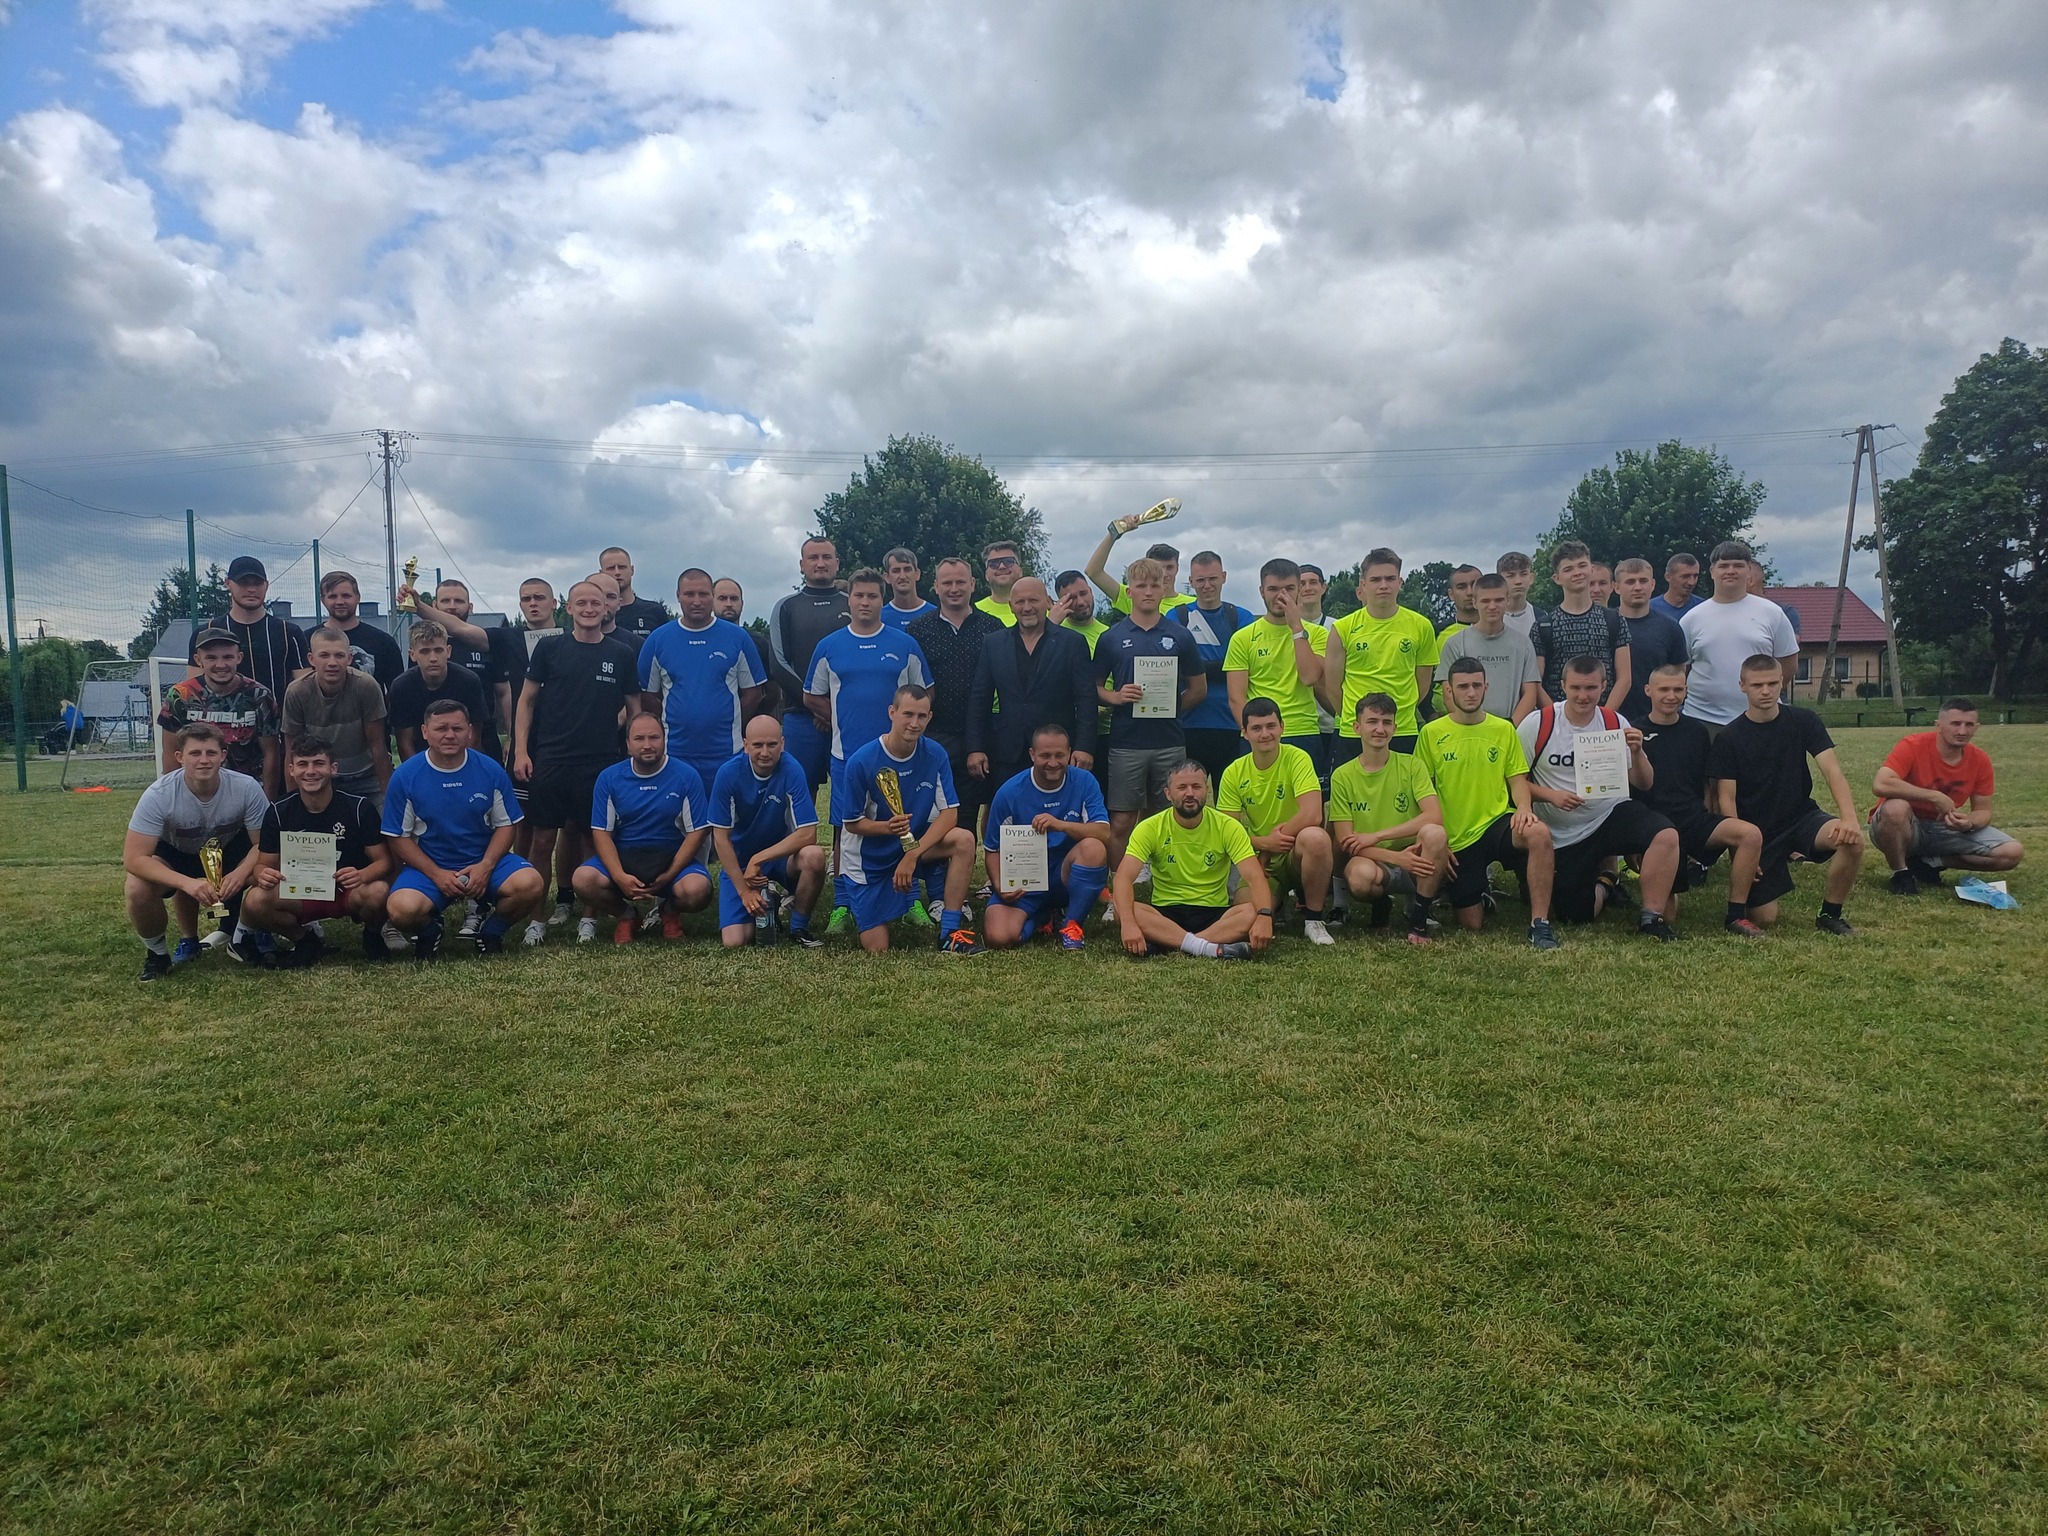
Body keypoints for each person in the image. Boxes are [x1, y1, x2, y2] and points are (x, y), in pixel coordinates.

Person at [1517, 655, 1680, 938]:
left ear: (1604, 686)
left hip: (1608, 814)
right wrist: (1550, 796)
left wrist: (1637, 752)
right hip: (1564, 833)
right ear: (1563, 686)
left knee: (1665, 834)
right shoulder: (1539, 723)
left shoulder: (1613, 721)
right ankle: (1607, 880)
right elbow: (1514, 780)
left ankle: (1651, 919)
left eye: (1591, 688)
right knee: (1575, 915)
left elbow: (1644, 783)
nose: (1583, 696)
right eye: (1576, 688)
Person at [513, 579, 638, 941]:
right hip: (551, 758)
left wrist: (630, 748)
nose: (588, 609)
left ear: (606, 608)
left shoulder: (621, 653)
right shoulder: (550, 649)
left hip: (600, 763)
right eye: (581, 603)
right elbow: (526, 701)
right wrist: (521, 750)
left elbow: (634, 708)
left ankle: (589, 917)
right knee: (541, 840)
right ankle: (537, 919)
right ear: (568, 608)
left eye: (595, 603)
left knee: (592, 840)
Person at [805, 569, 931, 921]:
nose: (865, 602)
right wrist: (839, 720)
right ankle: (842, 903)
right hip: (846, 755)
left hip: (898, 756)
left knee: (904, 823)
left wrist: (905, 731)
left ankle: (910, 900)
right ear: (848, 600)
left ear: (882, 599)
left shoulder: (904, 644)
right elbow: (812, 695)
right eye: (859, 595)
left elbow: (923, 693)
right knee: (845, 827)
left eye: (872, 596)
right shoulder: (829, 646)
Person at [1706, 653, 1864, 934]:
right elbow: (1726, 799)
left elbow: (1832, 771)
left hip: (1802, 817)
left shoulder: (1804, 720)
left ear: (1782, 682)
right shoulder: (1729, 737)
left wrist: (1849, 818)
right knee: (1765, 918)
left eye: (1772, 683)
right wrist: (1740, 852)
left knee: (1852, 841)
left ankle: (1830, 914)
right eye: (1757, 685)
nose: (1765, 691)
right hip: (1758, 832)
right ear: (1742, 686)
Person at [382, 698, 544, 957]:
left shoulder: (490, 770)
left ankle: (491, 932)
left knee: (531, 883)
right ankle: (429, 931)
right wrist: (437, 874)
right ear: (425, 732)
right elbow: (398, 838)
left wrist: (486, 866)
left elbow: (506, 825)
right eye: (441, 728)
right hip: (432, 866)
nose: (449, 735)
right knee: (401, 909)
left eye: (457, 728)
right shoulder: (405, 777)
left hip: (483, 862)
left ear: (469, 731)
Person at [1415, 657, 1559, 948]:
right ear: (1449, 690)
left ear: (1486, 688)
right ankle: (1479, 892)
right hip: (1457, 837)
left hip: (1497, 823)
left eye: (1476, 685)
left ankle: (1540, 924)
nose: (1470, 692)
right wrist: (1440, 843)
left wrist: (1523, 808)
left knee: (1538, 832)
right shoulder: (1431, 733)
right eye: (1463, 686)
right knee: (1471, 924)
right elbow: (1423, 792)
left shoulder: (1503, 729)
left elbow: (1517, 780)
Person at [836, 683, 982, 954]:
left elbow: (950, 814)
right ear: (892, 712)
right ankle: (870, 905)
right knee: (878, 949)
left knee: (964, 839)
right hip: (869, 859)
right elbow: (852, 823)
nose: (915, 723)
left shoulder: (935, 754)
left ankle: (950, 933)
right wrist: (886, 827)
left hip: (911, 848)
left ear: (930, 717)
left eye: (921, 716)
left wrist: (912, 854)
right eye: (908, 714)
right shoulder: (862, 761)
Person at [124, 721, 269, 980]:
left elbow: (265, 845)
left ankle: (252, 933)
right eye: (195, 753)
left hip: (229, 851)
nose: (203, 760)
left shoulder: (246, 787)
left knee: (269, 869)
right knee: (137, 888)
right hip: (177, 854)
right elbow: (134, 859)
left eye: (211, 753)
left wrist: (240, 874)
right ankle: (158, 954)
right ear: (180, 757)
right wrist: (187, 883)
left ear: (223, 755)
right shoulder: (158, 794)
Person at [1633, 663, 1766, 935]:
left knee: (1749, 835)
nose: (1671, 696)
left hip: (1693, 819)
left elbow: (1706, 784)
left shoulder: (1697, 731)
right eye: (1664, 689)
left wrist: (1712, 817)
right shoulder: (1634, 731)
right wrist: (1634, 845)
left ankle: (1736, 915)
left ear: (1686, 691)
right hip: (1656, 828)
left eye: (1678, 690)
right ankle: (1669, 877)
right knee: (1667, 916)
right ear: (1648, 690)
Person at [240, 734, 394, 965]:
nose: (310, 771)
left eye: (318, 763)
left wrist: (361, 875)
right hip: (300, 892)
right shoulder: (278, 811)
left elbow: (384, 862)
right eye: (303, 764)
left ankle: (372, 934)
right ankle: (305, 940)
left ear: (333, 768)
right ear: (291, 770)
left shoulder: (359, 808)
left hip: (348, 891)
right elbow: (263, 864)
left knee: (379, 891)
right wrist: (263, 874)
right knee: (255, 900)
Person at [1094, 556, 1205, 869]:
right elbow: (1094, 687)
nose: (1148, 591)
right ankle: (1118, 883)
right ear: (1129, 591)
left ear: (1164, 589)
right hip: (1125, 742)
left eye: (1155, 585)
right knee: (1121, 819)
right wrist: (1117, 697)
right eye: (1140, 585)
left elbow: (1198, 689)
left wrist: (1169, 707)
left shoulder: (1180, 635)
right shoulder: (1111, 637)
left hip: (1169, 741)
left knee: (1168, 816)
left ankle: (1164, 878)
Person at [572, 712, 715, 942]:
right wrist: (619, 876)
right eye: (639, 739)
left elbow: (698, 831)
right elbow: (601, 833)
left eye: (654, 737)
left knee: (698, 890)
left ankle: (668, 911)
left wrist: (669, 874)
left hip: (670, 860)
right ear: (628, 744)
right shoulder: (609, 778)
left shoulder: (687, 776)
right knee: (583, 879)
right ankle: (627, 915)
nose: (647, 745)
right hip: (625, 858)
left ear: (664, 740)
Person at [1112, 761, 1274, 960]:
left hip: (1214, 914)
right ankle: (1208, 948)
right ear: (1168, 793)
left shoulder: (1228, 826)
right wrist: (1128, 924)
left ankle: (1171, 943)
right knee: (1124, 911)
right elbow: (1123, 877)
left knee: (1251, 911)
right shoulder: (1150, 827)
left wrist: (1265, 916)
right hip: (1165, 913)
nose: (1190, 793)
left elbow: (1255, 877)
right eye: (1181, 787)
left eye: (1196, 787)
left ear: (1207, 790)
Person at [1870, 699, 2024, 893]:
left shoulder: (1980, 759)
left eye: (1969, 725)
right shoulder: (1912, 745)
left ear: (1977, 727)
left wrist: (1968, 822)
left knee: (2012, 852)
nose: (1962, 731)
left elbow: (1983, 810)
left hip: (1944, 827)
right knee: (1895, 808)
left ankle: (1930, 863)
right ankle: (1901, 874)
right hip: (1905, 826)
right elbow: (1881, 783)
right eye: (1955, 724)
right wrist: (1934, 796)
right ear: (1938, 725)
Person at [1329, 693, 1447, 945]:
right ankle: (1381, 902)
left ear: (1395, 728)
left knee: (1435, 834)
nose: (1380, 729)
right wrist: (1396, 858)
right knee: (1359, 879)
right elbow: (1346, 841)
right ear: (1357, 727)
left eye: (1386, 722)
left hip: (1415, 858)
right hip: (1375, 862)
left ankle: (1418, 917)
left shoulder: (1412, 765)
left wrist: (1378, 836)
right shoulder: (1342, 775)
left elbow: (1434, 815)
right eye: (1372, 722)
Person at [981, 724, 1112, 950]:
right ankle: (1041, 916)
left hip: (1064, 875)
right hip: (1025, 881)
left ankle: (1072, 924)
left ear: (1069, 753)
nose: (1053, 762)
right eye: (1045, 755)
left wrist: (1061, 825)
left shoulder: (1085, 782)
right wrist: (1000, 884)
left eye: (1059, 755)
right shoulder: (1009, 792)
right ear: (1032, 754)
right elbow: (992, 849)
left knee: (1094, 848)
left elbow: (1104, 832)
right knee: (999, 938)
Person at [1217, 697, 1334, 943]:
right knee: (1246, 914)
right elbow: (1227, 832)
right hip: (1262, 861)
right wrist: (1263, 844)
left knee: (1316, 837)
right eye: (1257, 728)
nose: (1265, 734)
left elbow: (1313, 814)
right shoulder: (1233, 772)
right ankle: (1276, 903)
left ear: (1282, 726)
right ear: (1244, 733)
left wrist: (1271, 845)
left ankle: (1313, 919)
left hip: (1296, 852)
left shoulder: (1298, 758)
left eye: (1271, 726)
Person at [638, 566, 766, 792]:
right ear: (678, 596)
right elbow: (648, 697)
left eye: (703, 594)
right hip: (676, 752)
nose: (696, 601)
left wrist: (732, 722)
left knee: (725, 812)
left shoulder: (737, 638)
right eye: (689, 594)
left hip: (727, 752)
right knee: (680, 813)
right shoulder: (658, 640)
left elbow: (753, 693)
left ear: (712, 596)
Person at [907, 557, 1006, 844]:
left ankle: (964, 866)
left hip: (982, 735)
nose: (954, 588)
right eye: (947, 582)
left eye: (960, 582)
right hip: (934, 733)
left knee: (970, 810)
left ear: (972, 584)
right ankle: (933, 865)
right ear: (935, 586)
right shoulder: (917, 630)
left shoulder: (994, 628)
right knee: (932, 808)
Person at [967, 575, 1099, 789]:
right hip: (1007, 751)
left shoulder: (1072, 643)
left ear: (1047, 602)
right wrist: (975, 748)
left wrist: (1084, 747)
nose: (1027, 607)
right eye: (1020, 602)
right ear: (1011, 606)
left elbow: (1086, 699)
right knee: (1007, 807)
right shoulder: (993, 643)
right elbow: (979, 698)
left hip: (1057, 752)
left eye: (1033, 600)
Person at [709, 713, 828, 948]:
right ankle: (768, 901)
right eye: (758, 745)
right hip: (742, 862)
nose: (765, 752)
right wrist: (744, 891)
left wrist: (759, 858)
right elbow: (720, 839)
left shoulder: (792, 769)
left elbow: (808, 833)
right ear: (745, 746)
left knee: (814, 856)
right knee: (734, 941)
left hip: (782, 858)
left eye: (772, 744)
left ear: (782, 743)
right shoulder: (728, 773)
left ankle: (799, 927)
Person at [1323, 547, 1440, 754]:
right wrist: (1356, 717)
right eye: (1376, 580)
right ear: (1364, 585)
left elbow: (1422, 685)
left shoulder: (1421, 626)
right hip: (1355, 732)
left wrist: (1400, 712)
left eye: (1390, 579)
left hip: (1402, 729)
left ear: (1400, 582)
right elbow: (1332, 686)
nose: (1383, 585)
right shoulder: (1343, 628)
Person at [1223, 558, 1329, 778]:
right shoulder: (1243, 638)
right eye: (1273, 589)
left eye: (1289, 588)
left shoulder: (1317, 634)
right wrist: (1253, 732)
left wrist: (1296, 628)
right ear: (1261, 591)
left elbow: (1310, 677)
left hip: (1303, 731)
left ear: (1299, 589)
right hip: (1259, 733)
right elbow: (1236, 697)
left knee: (1310, 798)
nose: (1281, 596)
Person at [1679, 541, 1800, 728]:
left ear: (1749, 570)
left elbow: (1788, 664)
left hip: (1760, 719)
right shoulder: (1692, 618)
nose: (1731, 571)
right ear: (1712, 571)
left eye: (1738, 565)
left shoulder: (1772, 614)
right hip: (1702, 719)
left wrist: (1763, 695)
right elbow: (1681, 669)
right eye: (1723, 566)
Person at [766, 535, 851, 798]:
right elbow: (778, 665)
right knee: (797, 796)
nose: (820, 563)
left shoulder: (853, 603)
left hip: (847, 718)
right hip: (802, 719)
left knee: (852, 795)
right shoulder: (786, 607)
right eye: (813, 558)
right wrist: (817, 705)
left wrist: (834, 712)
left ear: (837, 563)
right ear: (802, 565)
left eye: (826, 557)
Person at [158, 626, 281, 797]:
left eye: (228, 657)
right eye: (211, 658)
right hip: (196, 792)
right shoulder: (180, 696)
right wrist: (173, 798)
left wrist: (268, 802)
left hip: (247, 793)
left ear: (239, 657)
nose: (220, 665)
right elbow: (170, 753)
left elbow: (271, 755)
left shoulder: (259, 696)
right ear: (198, 660)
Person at [282, 624, 391, 809]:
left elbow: (378, 747)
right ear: (311, 659)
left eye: (339, 655)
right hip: (321, 778)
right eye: (324, 655)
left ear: (349, 658)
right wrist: (293, 806)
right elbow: (292, 752)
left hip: (366, 777)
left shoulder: (366, 686)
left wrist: (388, 798)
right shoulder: (297, 692)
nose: (332, 663)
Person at [399, 576, 509, 758]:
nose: (452, 606)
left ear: (470, 607)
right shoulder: (422, 644)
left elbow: (504, 693)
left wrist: (511, 737)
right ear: (435, 605)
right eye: (445, 601)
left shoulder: (485, 642)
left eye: (458, 601)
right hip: (430, 740)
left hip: (482, 736)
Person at [1179, 550, 1256, 785]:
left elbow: (1247, 667)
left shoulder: (1241, 617)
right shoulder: (1179, 616)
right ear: (1191, 581)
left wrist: (1196, 670)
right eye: (1200, 580)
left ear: (1224, 577)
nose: (1207, 585)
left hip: (1232, 723)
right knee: (1189, 796)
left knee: (1229, 797)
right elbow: (1174, 666)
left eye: (1212, 578)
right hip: (1188, 723)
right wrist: (1224, 668)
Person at [1533, 541, 1631, 707]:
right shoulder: (1543, 626)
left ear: (1591, 569)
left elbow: (1625, 678)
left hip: (1603, 714)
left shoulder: (1614, 619)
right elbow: (1535, 681)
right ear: (1557, 578)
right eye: (1568, 569)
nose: (1577, 573)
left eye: (1582, 566)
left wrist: (1604, 717)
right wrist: (1556, 717)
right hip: (1559, 716)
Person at [196, 555, 307, 702]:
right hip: (220, 716)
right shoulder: (205, 632)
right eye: (243, 583)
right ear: (228, 583)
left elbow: (305, 689)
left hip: (279, 716)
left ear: (266, 585)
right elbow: (194, 691)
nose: (251, 589)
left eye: (258, 583)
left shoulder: (290, 632)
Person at [1435, 574, 1542, 722]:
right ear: (1474, 602)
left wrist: (1510, 726)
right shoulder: (1455, 644)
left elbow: (1530, 693)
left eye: (1499, 600)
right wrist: (1474, 726)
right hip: (1470, 727)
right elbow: (1448, 694)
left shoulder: (1523, 644)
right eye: (1485, 601)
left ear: (1508, 600)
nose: (1492, 606)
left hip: (1511, 727)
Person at [387, 620, 489, 760]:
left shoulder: (469, 681)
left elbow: (474, 735)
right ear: (412, 655)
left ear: (448, 651)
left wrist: (461, 766)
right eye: (425, 651)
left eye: (438, 650)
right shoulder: (401, 687)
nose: (433, 658)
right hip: (421, 756)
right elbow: (404, 742)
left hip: (463, 755)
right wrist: (417, 769)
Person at [1612, 557, 1688, 723]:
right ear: (1616, 587)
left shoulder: (1670, 627)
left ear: (1652, 584)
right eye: (1630, 582)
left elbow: (1678, 674)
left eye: (1643, 581)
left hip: (1656, 720)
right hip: (1612, 718)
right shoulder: (1606, 625)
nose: (1638, 587)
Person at [313, 569, 405, 689]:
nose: (340, 601)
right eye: (332, 596)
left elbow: (397, 691)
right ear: (323, 600)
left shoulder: (383, 642)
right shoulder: (307, 640)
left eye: (346, 596)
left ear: (358, 598)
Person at [1083, 516, 1193, 615]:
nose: (1164, 574)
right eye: (1159, 568)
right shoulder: (1135, 596)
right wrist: (1115, 532)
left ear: (1177, 568)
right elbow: (1093, 572)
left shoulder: (1192, 604)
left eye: (1170, 567)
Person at [600, 546, 671, 641]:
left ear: (632, 570)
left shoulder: (654, 611)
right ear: (601, 573)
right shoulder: (596, 613)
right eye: (611, 568)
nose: (617, 572)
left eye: (622, 567)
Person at [881, 547, 936, 626]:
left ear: (917, 574)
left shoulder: (935, 615)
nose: (902, 576)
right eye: (896, 571)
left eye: (907, 570)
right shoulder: (879, 618)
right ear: (887, 577)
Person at [975, 539, 1025, 626]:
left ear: (1020, 571)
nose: (1002, 567)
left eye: (1008, 561)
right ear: (986, 575)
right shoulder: (973, 612)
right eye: (994, 563)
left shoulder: (1041, 610)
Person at [1496, 551, 1538, 638]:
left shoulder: (1541, 617)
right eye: (1511, 576)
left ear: (1531, 578)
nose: (1518, 581)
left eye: (1523, 574)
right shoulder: (1489, 618)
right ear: (1500, 580)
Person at [1651, 553, 1704, 621]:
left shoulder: (1703, 608)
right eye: (1685, 576)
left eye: (1695, 576)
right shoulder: (1650, 609)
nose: (1691, 582)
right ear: (1668, 577)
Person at [1441, 564, 1483, 637]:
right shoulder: (1446, 637)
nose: (1470, 592)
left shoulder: (1501, 631)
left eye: (1474, 585)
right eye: (1461, 587)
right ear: (1451, 594)